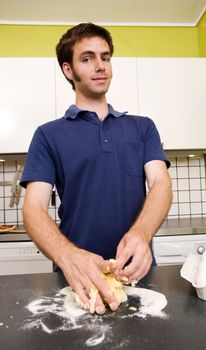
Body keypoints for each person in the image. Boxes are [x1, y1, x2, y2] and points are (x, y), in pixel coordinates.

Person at [21, 23, 172, 314]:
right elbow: (34, 207)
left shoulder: (142, 127)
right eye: (87, 58)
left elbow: (161, 183)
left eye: (105, 57)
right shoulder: (47, 135)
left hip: (137, 274)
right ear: (68, 70)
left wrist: (141, 235)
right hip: (75, 278)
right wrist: (68, 256)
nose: (100, 65)